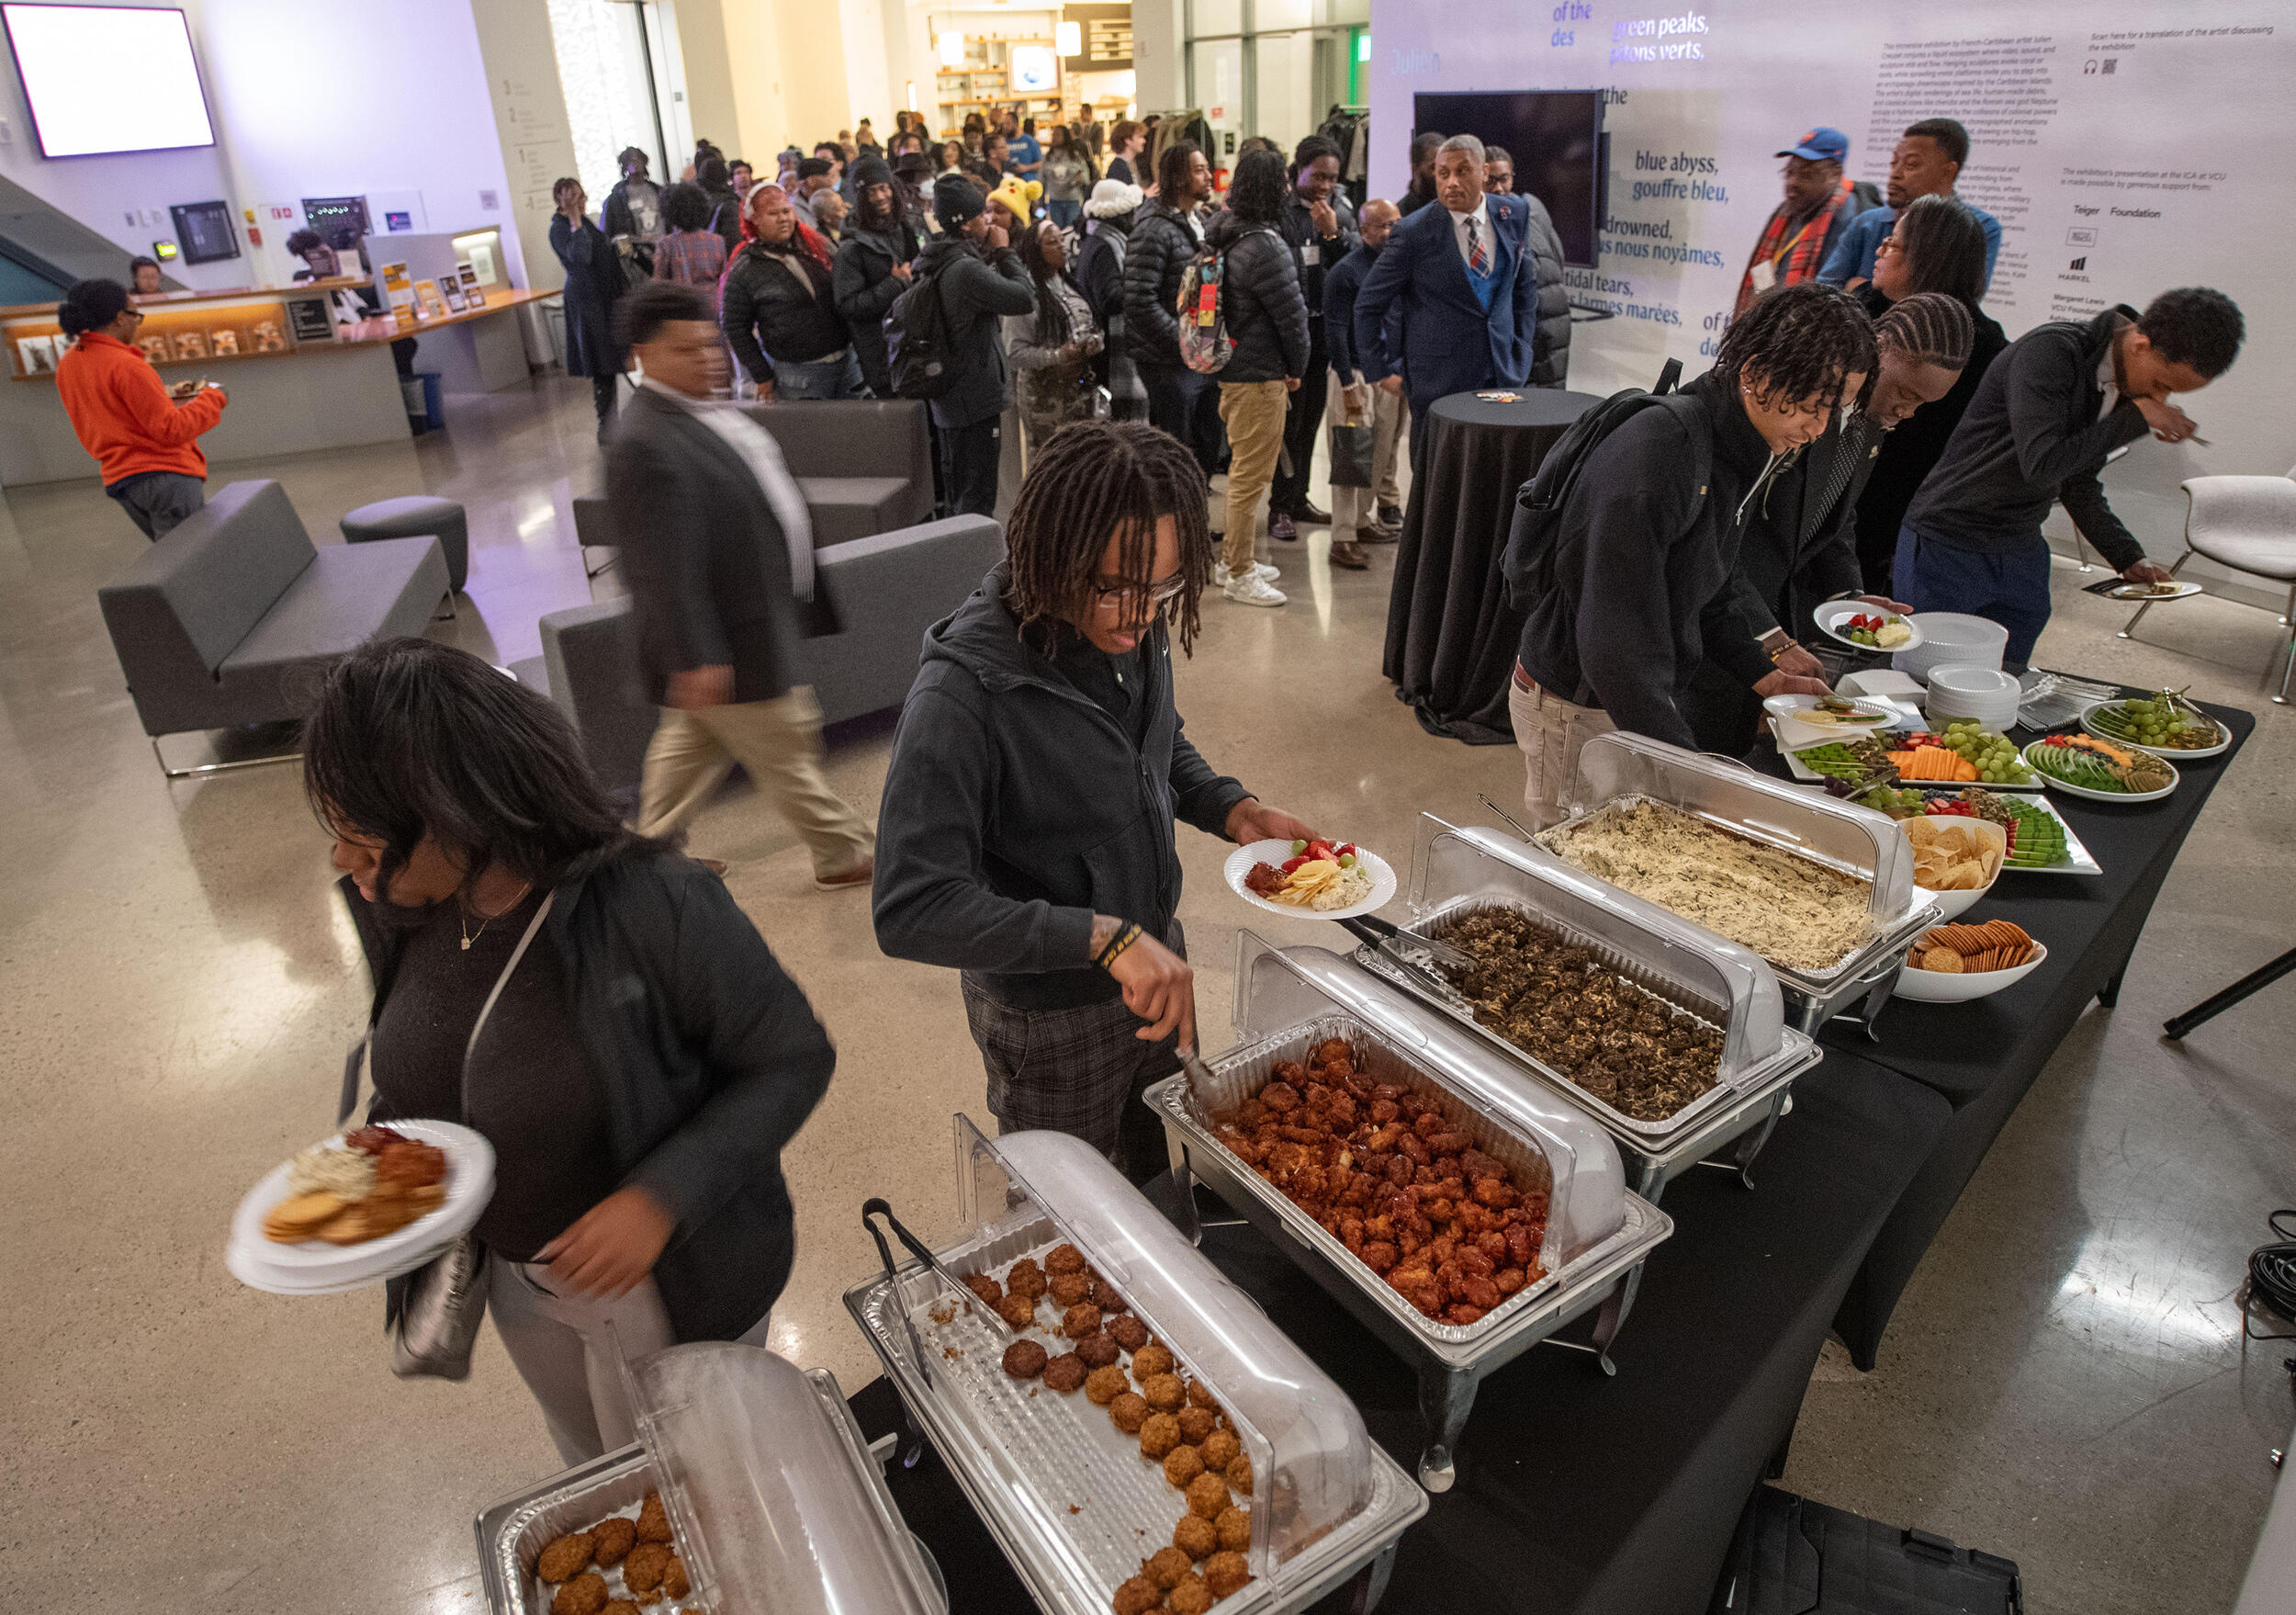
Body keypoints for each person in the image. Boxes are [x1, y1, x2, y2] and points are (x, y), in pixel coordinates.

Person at [309, 634, 835, 1467]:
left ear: (452, 811)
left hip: (681, 1282)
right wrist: (390, 1141)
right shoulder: (401, 903)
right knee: (594, 1458)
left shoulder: (652, 903)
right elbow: (432, 1050)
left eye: (363, 837)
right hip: (520, 1282)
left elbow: (792, 1058)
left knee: (713, 1472)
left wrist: (660, 1197)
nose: (343, 862)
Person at [872, 420, 1317, 1181]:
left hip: (1155, 966)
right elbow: (911, 907)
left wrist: (1229, 808)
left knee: (1164, 1164)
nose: (1140, 616)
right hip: (1050, 1015)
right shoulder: (960, 697)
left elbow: (1150, 740)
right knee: (1073, 1215)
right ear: (1046, 555)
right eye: (1111, 588)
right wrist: (1103, 938)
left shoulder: (1126, 620)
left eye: (1161, 587)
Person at [1507, 282, 1869, 825]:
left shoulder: (1741, 444)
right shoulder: (1661, 453)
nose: (1818, 429)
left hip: (1625, 697)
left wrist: (1762, 672)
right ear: (1754, 373)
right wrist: (1688, 771)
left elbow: (1711, 582)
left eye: (1832, 411)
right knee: (1575, 865)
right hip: (1575, 704)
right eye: (1811, 405)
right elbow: (1612, 643)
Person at [604, 283, 878, 885]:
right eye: (685, 350)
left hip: (749, 623)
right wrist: (695, 654)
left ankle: (641, 863)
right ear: (643, 356)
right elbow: (657, 566)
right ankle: (844, 851)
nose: (707, 358)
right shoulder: (642, 444)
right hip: (725, 641)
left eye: (710, 344)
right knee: (787, 742)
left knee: (685, 751)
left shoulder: (699, 412)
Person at [1683, 293, 1974, 755]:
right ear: (1876, 348)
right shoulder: (1780, 411)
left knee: (1738, 748)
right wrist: (1767, 638)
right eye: (1905, 393)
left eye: (1924, 404)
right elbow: (1712, 539)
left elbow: (1838, 517)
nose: (1909, 412)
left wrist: (1848, 599)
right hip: (1714, 615)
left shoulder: (1868, 420)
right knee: (1695, 748)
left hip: (1771, 613)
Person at [1899, 287, 2242, 667]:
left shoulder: (2122, 383)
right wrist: (2137, 417)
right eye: (2162, 385)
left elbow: (2078, 480)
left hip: (2020, 541)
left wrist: (2126, 555)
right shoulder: (2050, 352)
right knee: (1927, 671)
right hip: (1949, 538)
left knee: (2006, 677)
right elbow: (2043, 463)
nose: (2159, 400)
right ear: (2140, 344)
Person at [1847, 196, 2007, 592]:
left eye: (1894, 243)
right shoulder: (1862, 308)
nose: (1881, 249)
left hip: (1901, 513)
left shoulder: (1978, 346)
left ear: (1929, 257)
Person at [1352, 135, 1539, 439]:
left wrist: (1522, 349)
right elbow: (1368, 304)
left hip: (1502, 374)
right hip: (1437, 383)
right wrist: (1381, 370)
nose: (1451, 182)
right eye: (1443, 173)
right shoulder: (1412, 232)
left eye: (1462, 171)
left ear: (1484, 172)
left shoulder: (1513, 214)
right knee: (1439, 480)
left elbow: (1525, 290)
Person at [1204, 149, 1309, 608]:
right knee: (1250, 477)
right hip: (1260, 376)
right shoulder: (1266, 246)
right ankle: (1239, 572)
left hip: (1235, 370)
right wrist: (1297, 367)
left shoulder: (1226, 236)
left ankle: (1233, 559)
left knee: (1246, 472)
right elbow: (1294, 319)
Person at [52, 277, 226, 540]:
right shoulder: (126, 364)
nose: (136, 322)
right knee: (189, 563)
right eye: (135, 314)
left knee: (170, 558)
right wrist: (213, 398)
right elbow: (171, 430)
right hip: (165, 477)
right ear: (120, 318)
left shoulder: (70, 362)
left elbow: (112, 412)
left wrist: (163, 398)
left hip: (122, 481)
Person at [912, 174, 1036, 514]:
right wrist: (1005, 251)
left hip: (954, 396)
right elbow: (1024, 298)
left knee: (962, 492)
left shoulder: (939, 259)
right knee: (977, 498)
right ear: (966, 223)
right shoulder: (964, 270)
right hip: (973, 398)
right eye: (983, 214)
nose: (991, 219)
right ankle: (976, 565)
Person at [1266, 135, 1357, 544]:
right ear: (1297, 170)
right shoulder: (1278, 212)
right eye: (1317, 175)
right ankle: (1279, 507)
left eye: (1332, 178)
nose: (1325, 185)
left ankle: (1299, 497)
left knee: (1312, 421)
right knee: (1288, 423)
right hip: (1289, 333)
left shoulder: (1341, 210)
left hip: (1326, 332)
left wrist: (1333, 234)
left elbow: (1354, 266)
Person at [1124, 141, 1223, 476]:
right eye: (1199, 170)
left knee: (1208, 441)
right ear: (1178, 177)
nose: (1209, 176)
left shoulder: (1201, 220)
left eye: (1207, 168)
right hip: (1166, 359)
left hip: (1200, 353)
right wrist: (1184, 339)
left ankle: (1196, 514)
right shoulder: (1153, 228)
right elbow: (1140, 301)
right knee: (1174, 452)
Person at [1818, 118, 2000, 292]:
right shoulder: (1866, 223)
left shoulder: (1980, 228)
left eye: (1911, 164)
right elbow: (1822, 292)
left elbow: (1953, 306)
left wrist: (1859, 288)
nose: (1895, 174)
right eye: (1894, 162)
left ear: (1948, 173)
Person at [721, 184, 859, 401]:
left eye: (786, 211)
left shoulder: (815, 248)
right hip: (799, 377)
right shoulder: (745, 268)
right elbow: (734, 326)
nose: (783, 218)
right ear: (754, 219)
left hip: (847, 365)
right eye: (773, 214)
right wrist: (761, 375)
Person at [1322, 198, 1407, 554]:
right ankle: (1342, 537)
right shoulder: (1346, 271)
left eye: (1395, 224)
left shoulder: (1400, 268)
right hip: (1354, 375)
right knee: (1349, 459)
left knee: (1378, 458)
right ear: (1364, 230)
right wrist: (1347, 382)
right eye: (1382, 225)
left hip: (1390, 377)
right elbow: (1335, 330)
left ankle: (1361, 521)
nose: (1390, 232)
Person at [1734, 127, 1866, 318]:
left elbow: (1827, 298)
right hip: (1769, 326)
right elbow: (1765, 270)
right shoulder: (1786, 211)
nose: (1792, 182)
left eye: (1806, 174)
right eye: (1789, 172)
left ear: (1834, 174)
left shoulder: (1845, 219)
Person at [1006, 220, 1103, 460]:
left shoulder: (1070, 284)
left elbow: (1090, 324)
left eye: (1062, 239)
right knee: (1052, 466)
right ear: (1036, 250)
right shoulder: (1025, 294)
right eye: (1052, 242)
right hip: (1045, 400)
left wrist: (1094, 342)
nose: (1062, 246)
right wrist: (1059, 355)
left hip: (1079, 393)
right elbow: (1015, 354)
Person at [833, 157, 923, 397]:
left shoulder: (907, 229)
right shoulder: (852, 248)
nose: (880, 197)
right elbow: (848, 306)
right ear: (861, 198)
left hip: (918, 349)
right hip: (885, 360)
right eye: (871, 191)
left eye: (883, 187)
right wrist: (895, 283)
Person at [287, 226, 418, 378]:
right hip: (348, 345)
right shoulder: (308, 288)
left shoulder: (339, 284)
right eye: (328, 257)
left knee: (406, 343)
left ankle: (403, 387)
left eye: (333, 256)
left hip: (361, 333)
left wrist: (366, 317)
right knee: (403, 346)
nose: (334, 260)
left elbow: (359, 304)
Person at [549, 178, 626, 434]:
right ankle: (606, 424)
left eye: (580, 196)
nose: (578, 201)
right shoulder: (561, 228)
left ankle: (611, 419)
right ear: (559, 199)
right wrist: (574, 220)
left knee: (609, 362)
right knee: (601, 363)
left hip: (602, 298)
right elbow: (580, 256)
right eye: (571, 197)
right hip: (586, 303)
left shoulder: (585, 222)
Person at [1075, 178, 1145, 419]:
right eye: (1130, 211)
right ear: (1119, 214)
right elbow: (1110, 299)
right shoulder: (1105, 247)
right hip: (1111, 356)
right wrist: (1141, 285)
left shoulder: (1094, 240)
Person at [648, 182, 729, 315]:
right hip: (713, 308)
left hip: (683, 309)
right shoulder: (717, 241)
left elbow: (658, 283)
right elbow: (723, 280)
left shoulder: (667, 244)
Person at [602, 147, 665, 270]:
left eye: (638, 158)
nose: (635, 162)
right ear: (624, 166)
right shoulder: (616, 199)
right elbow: (614, 234)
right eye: (630, 159)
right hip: (637, 258)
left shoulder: (659, 192)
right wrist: (629, 260)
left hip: (663, 252)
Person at [1041, 125, 1093, 229]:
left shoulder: (1075, 156)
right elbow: (1041, 180)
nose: (1054, 137)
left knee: (1071, 230)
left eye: (1058, 135)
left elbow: (1086, 178)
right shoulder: (1047, 157)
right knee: (1057, 230)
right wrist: (1039, 202)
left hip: (1072, 200)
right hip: (1054, 201)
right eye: (1053, 134)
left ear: (1065, 136)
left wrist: (1079, 179)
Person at [1398, 131, 1444, 216]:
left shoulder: (1458, 210)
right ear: (1414, 169)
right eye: (1433, 167)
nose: (1441, 174)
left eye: (1445, 168)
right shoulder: (1399, 216)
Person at [788, 157, 837, 232]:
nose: (831, 181)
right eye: (827, 176)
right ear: (810, 181)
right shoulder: (794, 213)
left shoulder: (832, 198)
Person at [1003, 109, 1041, 179]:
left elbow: (1041, 163)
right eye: (1004, 124)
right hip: (1009, 183)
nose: (1005, 127)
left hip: (1029, 183)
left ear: (1015, 124)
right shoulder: (1003, 142)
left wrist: (1026, 168)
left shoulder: (1029, 140)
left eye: (1007, 124)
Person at [1106, 120, 1146, 187]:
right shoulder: (1118, 169)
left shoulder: (1129, 164)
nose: (1144, 141)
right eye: (1140, 137)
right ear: (1127, 140)